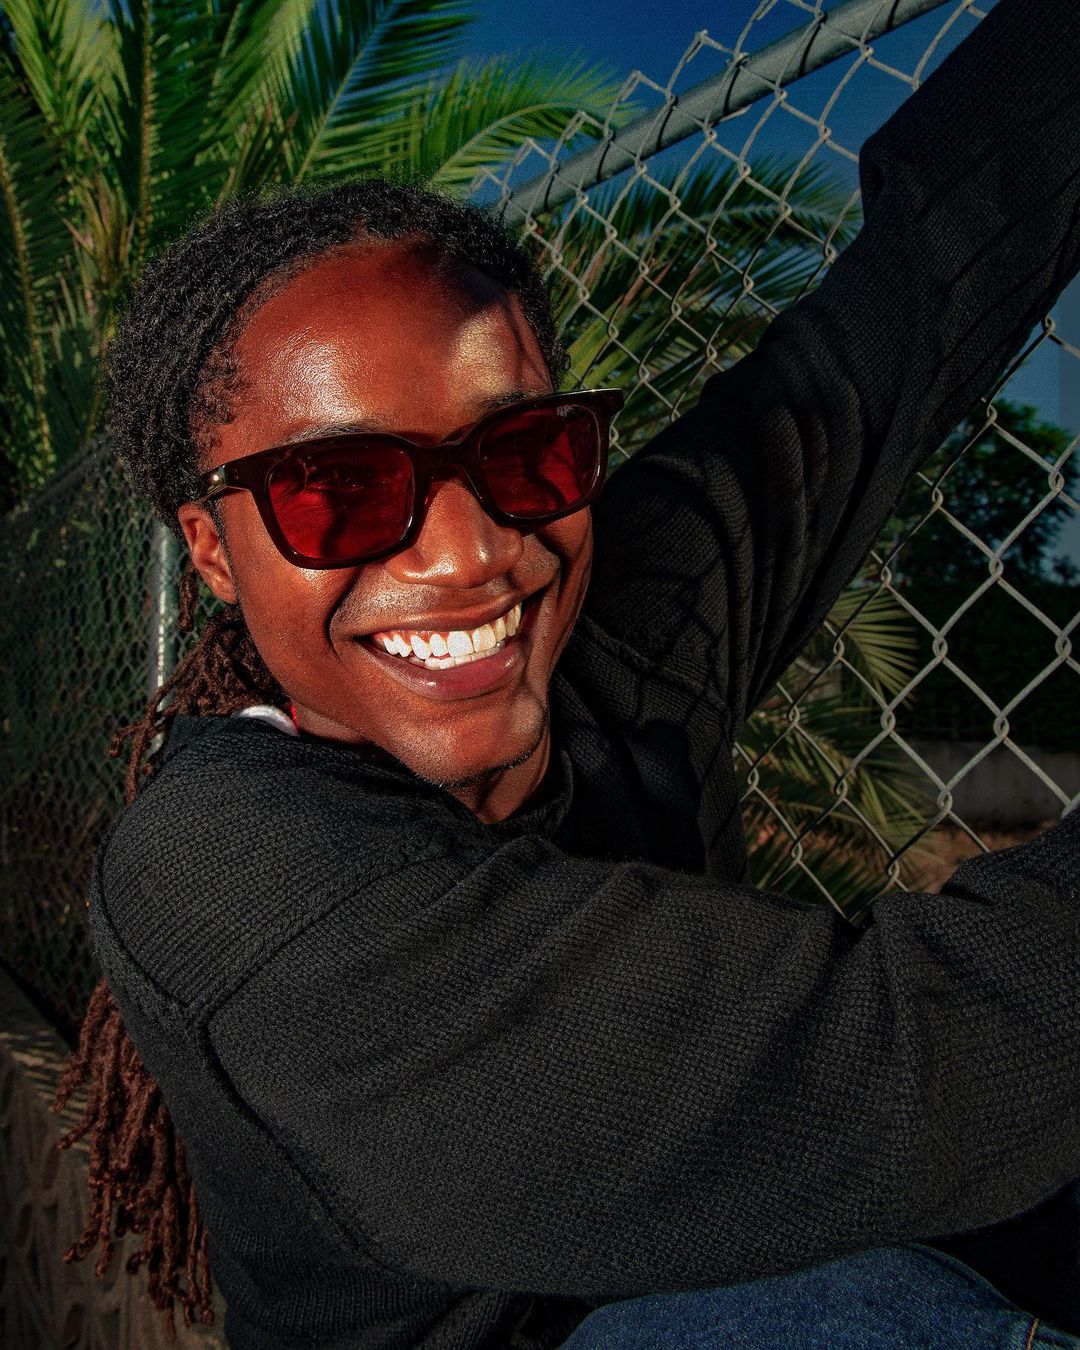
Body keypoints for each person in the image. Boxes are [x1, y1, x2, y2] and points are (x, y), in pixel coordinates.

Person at [51, 0, 1080, 1345]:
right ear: (213, 553)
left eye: (525, 451)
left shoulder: (616, 619)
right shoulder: (226, 870)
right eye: (339, 489)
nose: (474, 550)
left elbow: (893, 325)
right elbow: (909, 1065)